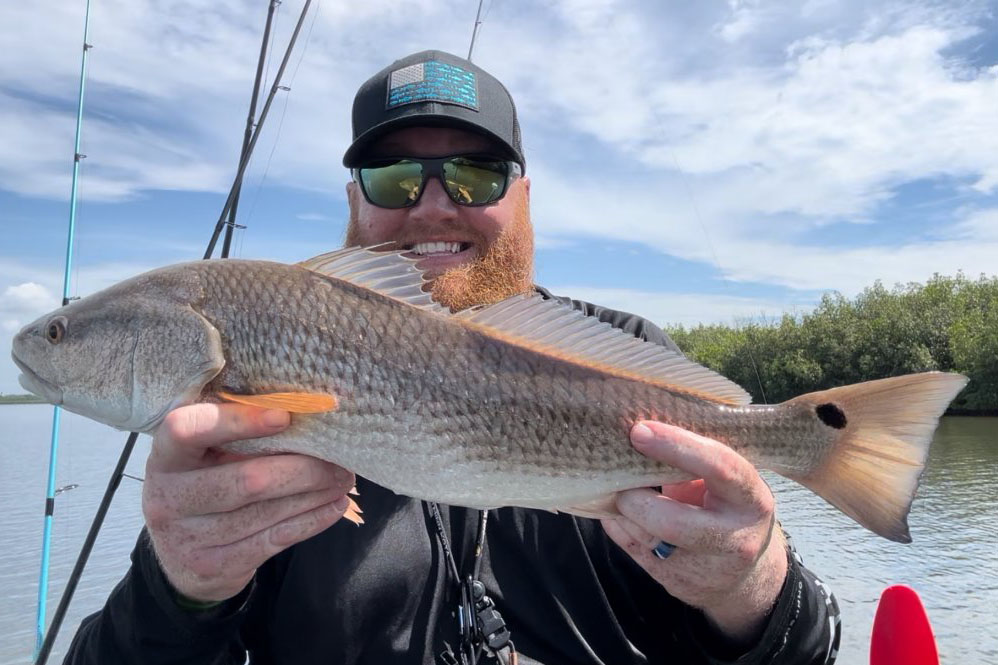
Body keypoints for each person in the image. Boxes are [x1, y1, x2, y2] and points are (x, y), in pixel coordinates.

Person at [65, 50, 840, 665]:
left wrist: (749, 580)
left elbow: (806, 650)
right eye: (395, 177)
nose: (434, 204)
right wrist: (185, 585)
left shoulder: (630, 357)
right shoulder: (231, 435)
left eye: (474, 174)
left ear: (523, 199)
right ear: (352, 202)